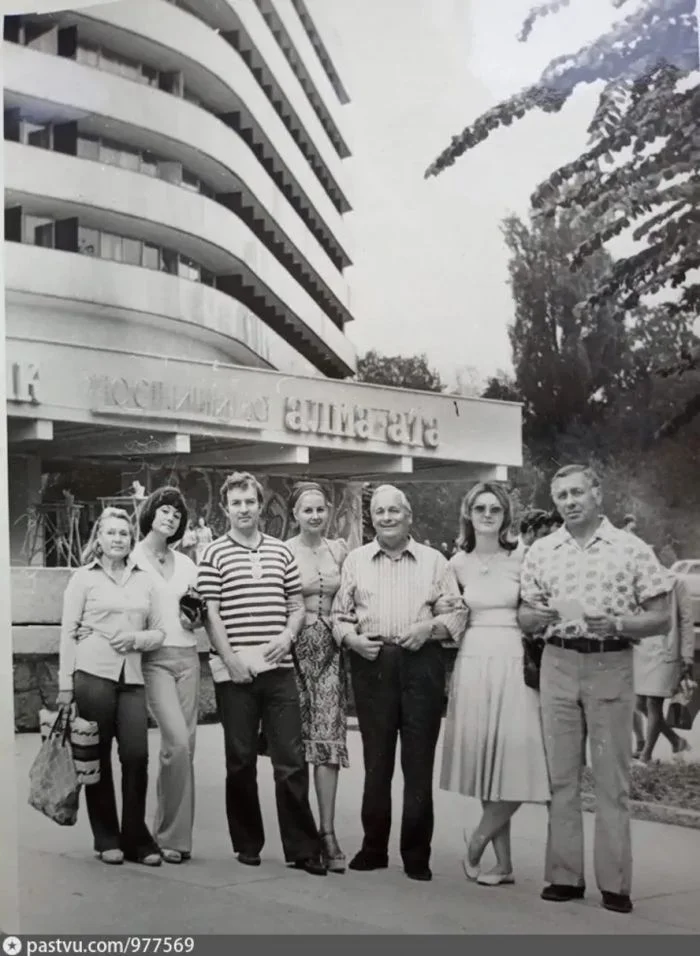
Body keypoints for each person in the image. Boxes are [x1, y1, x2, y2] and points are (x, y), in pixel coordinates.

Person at [520, 464, 672, 915]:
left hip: (610, 661)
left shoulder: (631, 549)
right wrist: (537, 617)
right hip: (558, 661)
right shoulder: (542, 551)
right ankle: (564, 876)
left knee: (611, 780)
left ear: (597, 494)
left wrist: (620, 623)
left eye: (577, 493)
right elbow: (524, 615)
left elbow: (661, 616)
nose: (570, 502)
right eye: (562, 496)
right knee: (561, 777)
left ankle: (615, 884)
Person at [332, 484, 467, 882]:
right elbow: (339, 615)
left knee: (418, 763)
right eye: (380, 511)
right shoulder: (356, 560)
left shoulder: (434, 561)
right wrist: (352, 640)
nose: (387, 517)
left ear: (409, 516)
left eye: (395, 510)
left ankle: (416, 855)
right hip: (373, 660)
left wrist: (429, 628)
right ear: (372, 518)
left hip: (421, 662)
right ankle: (373, 848)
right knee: (377, 763)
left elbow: (457, 613)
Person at [197, 472, 326, 875]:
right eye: (236, 503)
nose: (244, 509)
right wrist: (230, 658)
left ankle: (302, 849)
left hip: (279, 671)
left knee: (291, 760)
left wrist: (288, 637)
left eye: (250, 502)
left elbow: (297, 606)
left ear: (259, 505)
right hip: (236, 674)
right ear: (225, 509)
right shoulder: (213, 553)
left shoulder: (280, 552)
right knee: (240, 760)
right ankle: (248, 843)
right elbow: (210, 613)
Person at [441, 483, 550, 886]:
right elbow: (451, 616)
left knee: (520, 759)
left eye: (495, 509)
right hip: (472, 660)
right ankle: (504, 866)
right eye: (480, 508)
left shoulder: (524, 555)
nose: (487, 515)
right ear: (468, 514)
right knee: (488, 764)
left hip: (514, 660)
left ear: (506, 515)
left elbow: (537, 608)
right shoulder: (456, 564)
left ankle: (476, 842)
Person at [56, 507, 166, 866]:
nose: (118, 538)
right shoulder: (82, 578)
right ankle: (106, 837)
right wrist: (65, 685)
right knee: (96, 757)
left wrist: (135, 638)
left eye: (124, 533)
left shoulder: (144, 579)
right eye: (111, 533)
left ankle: (136, 837)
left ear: (131, 539)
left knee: (136, 755)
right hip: (92, 675)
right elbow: (68, 633)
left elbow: (159, 632)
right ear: (98, 539)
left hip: (131, 678)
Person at [133, 487, 200, 864]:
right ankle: (165, 834)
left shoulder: (188, 564)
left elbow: (196, 610)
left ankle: (174, 837)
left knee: (186, 747)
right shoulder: (132, 557)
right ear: (150, 513)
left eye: (177, 514)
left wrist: (196, 618)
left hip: (188, 657)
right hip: (154, 659)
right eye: (165, 510)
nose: (171, 517)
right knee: (176, 742)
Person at [285, 482, 350, 873]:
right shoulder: (283, 552)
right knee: (294, 748)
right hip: (293, 652)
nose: (314, 516)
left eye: (320, 509)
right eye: (307, 510)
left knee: (327, 743)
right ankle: (303, 835)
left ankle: (328, 832)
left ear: (328, 512)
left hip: (330, 653)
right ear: (295, 514)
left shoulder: (339, 550)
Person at [633, 576, 694, 762]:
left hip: (666, 648)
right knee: (638, 703)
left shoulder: (676, 582)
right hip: (642, 649)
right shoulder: (637, 580)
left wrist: (687, 654)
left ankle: (646, 756)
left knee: (654, 702)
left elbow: (686, 619)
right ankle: (675, 740)